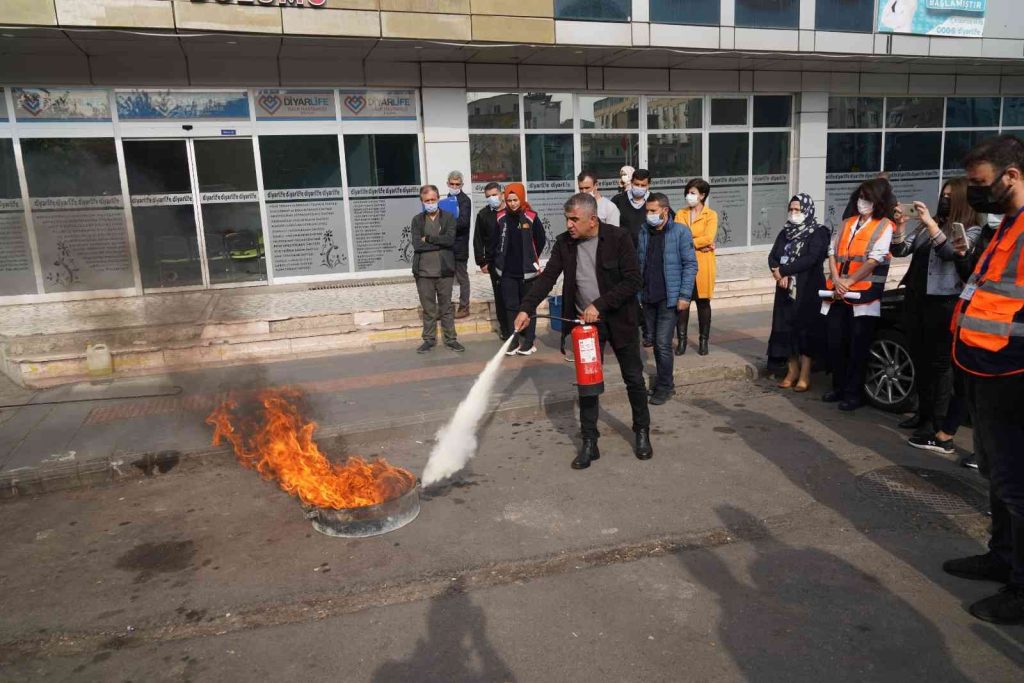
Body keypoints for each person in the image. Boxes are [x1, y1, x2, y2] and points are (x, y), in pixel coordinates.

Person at [943, 134, 1024, 625]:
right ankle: (1002, 556)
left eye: (981, 183)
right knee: (996, 475)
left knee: (1017, 484)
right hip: (982, 367)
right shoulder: (1007, 224)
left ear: (1011, 175)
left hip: (1013, 375)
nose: (974, 192)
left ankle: (1021, 588)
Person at [514, 193, 652, 470]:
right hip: (587, 327)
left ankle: (642, 432)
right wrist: (526, 309)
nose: (569, 224)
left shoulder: (619, 238)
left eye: (574, 219)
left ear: (592, 219)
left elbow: (633, 280)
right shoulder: (565, 243)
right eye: (567, 218)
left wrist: (599, 305)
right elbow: (547, 278)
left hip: (621, 321)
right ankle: (590, 441)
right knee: (588, 384)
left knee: (634, 379)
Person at [890, 178, 981, 453]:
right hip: (916, 298)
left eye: (950, 197)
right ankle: (923, 413)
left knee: (940, 366)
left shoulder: (970, 229)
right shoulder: (927, 225)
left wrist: (931, 224)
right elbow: (900, 250)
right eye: (943, 195)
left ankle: (937, 424)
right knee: (920, 360)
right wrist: (900, 227)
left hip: (943, 303)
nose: (944, 200)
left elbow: (951, 253)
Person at [821, 178, 895, 411]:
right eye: (861, 197)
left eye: (868, 198)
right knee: (836, 343)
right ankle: (839, 387)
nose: (862, 201)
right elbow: (832, 252)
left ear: (878, 201)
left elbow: (874, 260)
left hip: (864, 296)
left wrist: (849, 281)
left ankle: (854, 393)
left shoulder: (884, 226)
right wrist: (837, 279)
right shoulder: (847, 223)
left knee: (857, 347)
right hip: (838, 292)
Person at [638, 193, 697, 405]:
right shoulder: (644, 231)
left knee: (663, 343)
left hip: (669, 298)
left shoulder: (680, 232)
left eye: (653, 211)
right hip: (648, 296)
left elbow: (690, 265)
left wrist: (684, 295)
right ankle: (662, 381)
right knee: (655, 342)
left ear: (664, 210)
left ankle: (666, 387)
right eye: (647, 211)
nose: (649, 214)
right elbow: (640, 262)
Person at [767, 193, 830, 392]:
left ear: (807, 210)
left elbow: (811, 258)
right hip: (785, 289)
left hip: (808, 289)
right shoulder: (785, 232)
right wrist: (778, 272)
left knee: (806, 330)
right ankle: (792, 370)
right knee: (786, 329)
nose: (794, 213)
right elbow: (773, 256)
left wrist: (785, 271)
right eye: (791, 209)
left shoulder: (818, 232)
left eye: (798, 209)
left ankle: (805, 373)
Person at [493, 182, 546, 356]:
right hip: (507, 272)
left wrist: (531, 258)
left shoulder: (531, 216)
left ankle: (529, 342)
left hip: (528, 273)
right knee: (510, 307)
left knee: (529, 307)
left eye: (515, 200)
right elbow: (495, 241)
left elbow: (540, 240)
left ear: (521, 198)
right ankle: (514, 341)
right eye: (509, 200)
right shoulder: (500, 217)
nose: (512, 203)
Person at [411, 185, 464, 354]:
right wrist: (439, 242)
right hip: (424, 273)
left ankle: (451, 339)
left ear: (438, 198)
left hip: (444, 271)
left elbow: (450, 240)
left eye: (433, 199)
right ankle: (428, 340)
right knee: (428, 309)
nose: (430, 203)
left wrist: (429, 238)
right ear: (422, 201)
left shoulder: (448, 217)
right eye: (427, 200)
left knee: (446, 307)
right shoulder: (417, 220)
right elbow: (417, 245)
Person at [674, 178, 718, 356]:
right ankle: (682, 341)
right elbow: (677, 237)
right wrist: (699, 244)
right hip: (683, 264)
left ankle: (703, 341)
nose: (689, 196)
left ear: (702, 195)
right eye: (688, 193)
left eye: (693, 193)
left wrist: (690, 241)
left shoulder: (711, 215)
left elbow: (709, 237)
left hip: (703, 265)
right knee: (682, 303)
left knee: (703, 303)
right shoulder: (680, 213)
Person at [473, 182, 510, 340]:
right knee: (500, 297)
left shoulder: (511, 211)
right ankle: (505, 329)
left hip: (513, 261)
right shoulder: (483, 215)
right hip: (494, 263)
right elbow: (478, 240)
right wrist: (482, 262)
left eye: (494, 195)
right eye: (488, 196)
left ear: (502, 194)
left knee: (516, 296)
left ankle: (521, 327)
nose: (492, 198)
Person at [446, 171, 472, 319]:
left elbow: (463, 223)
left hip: (460, 246)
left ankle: (464, 306)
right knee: (447, 278)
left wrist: (447, 224)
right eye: (452, 184)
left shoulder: (465, 200)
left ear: (462, 185)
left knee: (462, 277)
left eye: (457, 184)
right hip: (447, 246)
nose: (454, 186)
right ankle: (447, 306)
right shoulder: (447, 200)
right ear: (447, 184)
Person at [612, 168, 650, 248]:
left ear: (648, 185)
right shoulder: (618, 200)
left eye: (643, 185)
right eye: (637, 184)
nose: (639, 188)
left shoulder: (654, 200)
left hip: (648, 249)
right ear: (632, 182)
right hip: (624, 249)